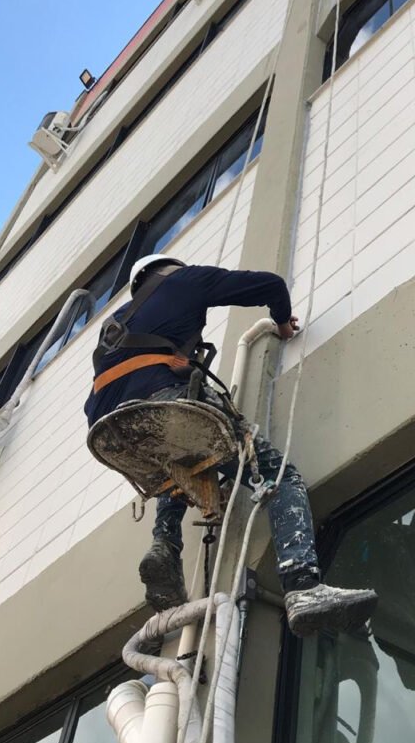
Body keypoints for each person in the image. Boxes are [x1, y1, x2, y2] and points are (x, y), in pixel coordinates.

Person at [85, 254, 376, 637]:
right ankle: (303, 586)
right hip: (163, 401)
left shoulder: (116, 322)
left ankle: (164, 544)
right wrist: (282, 323)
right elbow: (271, 285)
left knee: (175, 463)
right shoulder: (183, 281)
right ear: (170, 269)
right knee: (279, 476)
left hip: (112, 432)